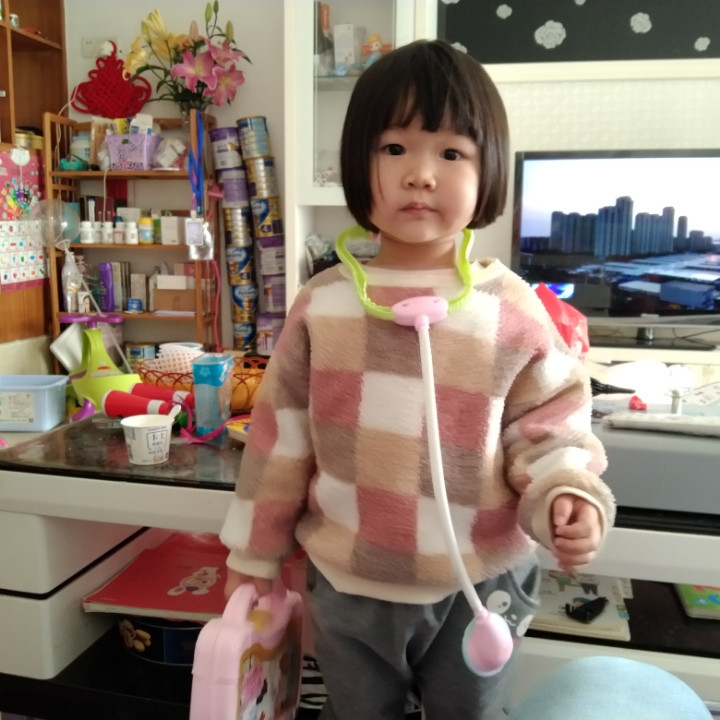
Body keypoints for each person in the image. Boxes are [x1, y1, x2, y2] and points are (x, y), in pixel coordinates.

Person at [221, 39, 615, 719]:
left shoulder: (511, 308)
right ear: (357, 163)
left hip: (478, 585)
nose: (421, 174)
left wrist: (568, 492)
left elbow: (553, 427)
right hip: (349, 580)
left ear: (489, 171)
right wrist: (254, 556)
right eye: (394, 148)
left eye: (452, 153)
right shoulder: (323, 304)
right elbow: (279, 441)